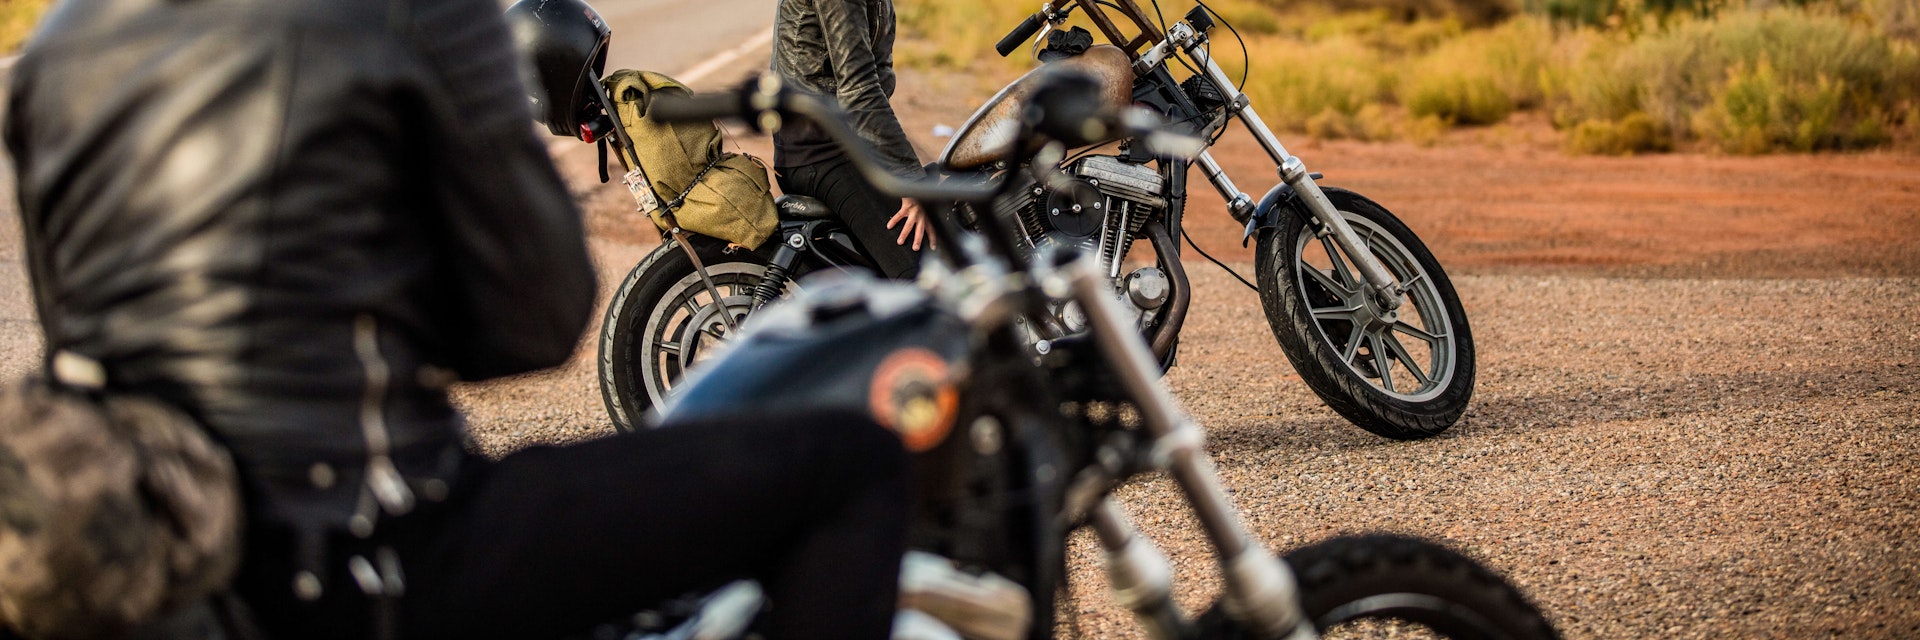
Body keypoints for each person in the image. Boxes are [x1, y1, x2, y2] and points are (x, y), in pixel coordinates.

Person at [4, 0, 909, 638]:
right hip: (370, 549)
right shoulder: (419, 15)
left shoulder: (57, 45)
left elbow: (76, 332)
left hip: (163, 548)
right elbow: (538, 317)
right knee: (849, 461)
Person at [772, 0, 931, 280]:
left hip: (850, 140)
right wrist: (911, 180)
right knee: (928, 276)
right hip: (823, 151)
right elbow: (859, 91)